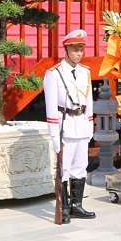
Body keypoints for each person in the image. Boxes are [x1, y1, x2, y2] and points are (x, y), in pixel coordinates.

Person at [44, 29, 95, 223]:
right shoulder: (54, 74)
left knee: (80, 167)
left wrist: (90, 127)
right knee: (64, 169)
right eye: (75, 49)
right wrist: (54, 136)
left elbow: (88, 101)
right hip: (65, 125)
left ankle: (76, 206)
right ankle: (64, 208)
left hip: (81, 125)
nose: (79, 54)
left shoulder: (85, 72)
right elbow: (51, 107)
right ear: (66, 49)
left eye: (81, 49)